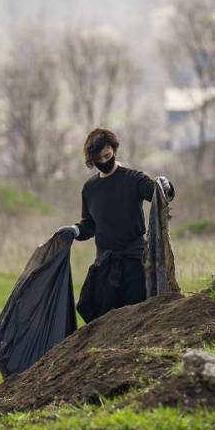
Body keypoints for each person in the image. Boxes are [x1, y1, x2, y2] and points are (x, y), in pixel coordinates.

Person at [56, 128, 161, 323]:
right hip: (104, 263)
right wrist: (75, 230)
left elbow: (157, 193)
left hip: (134, 262)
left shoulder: (133, 179)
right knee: (100, 316)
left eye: (107, 155)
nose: (104, 162)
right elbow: (89, 225)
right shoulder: (90, 188)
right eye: (98, 159)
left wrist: (166, 187)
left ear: (114, 150)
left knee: (135, 318)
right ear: (91, 160)